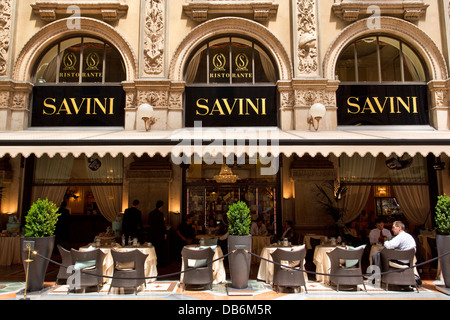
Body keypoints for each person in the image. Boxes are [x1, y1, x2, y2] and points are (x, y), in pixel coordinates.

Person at [148, 200, 167, 266]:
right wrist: (165, 233)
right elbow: (162, 225)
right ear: (161, 206)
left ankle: (153, 262)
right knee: (160, 248)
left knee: (154, 248)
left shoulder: (151, 213)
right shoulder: (160, 214)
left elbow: (149, 223)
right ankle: (159, 262)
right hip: (159, 233)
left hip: (152, 233)